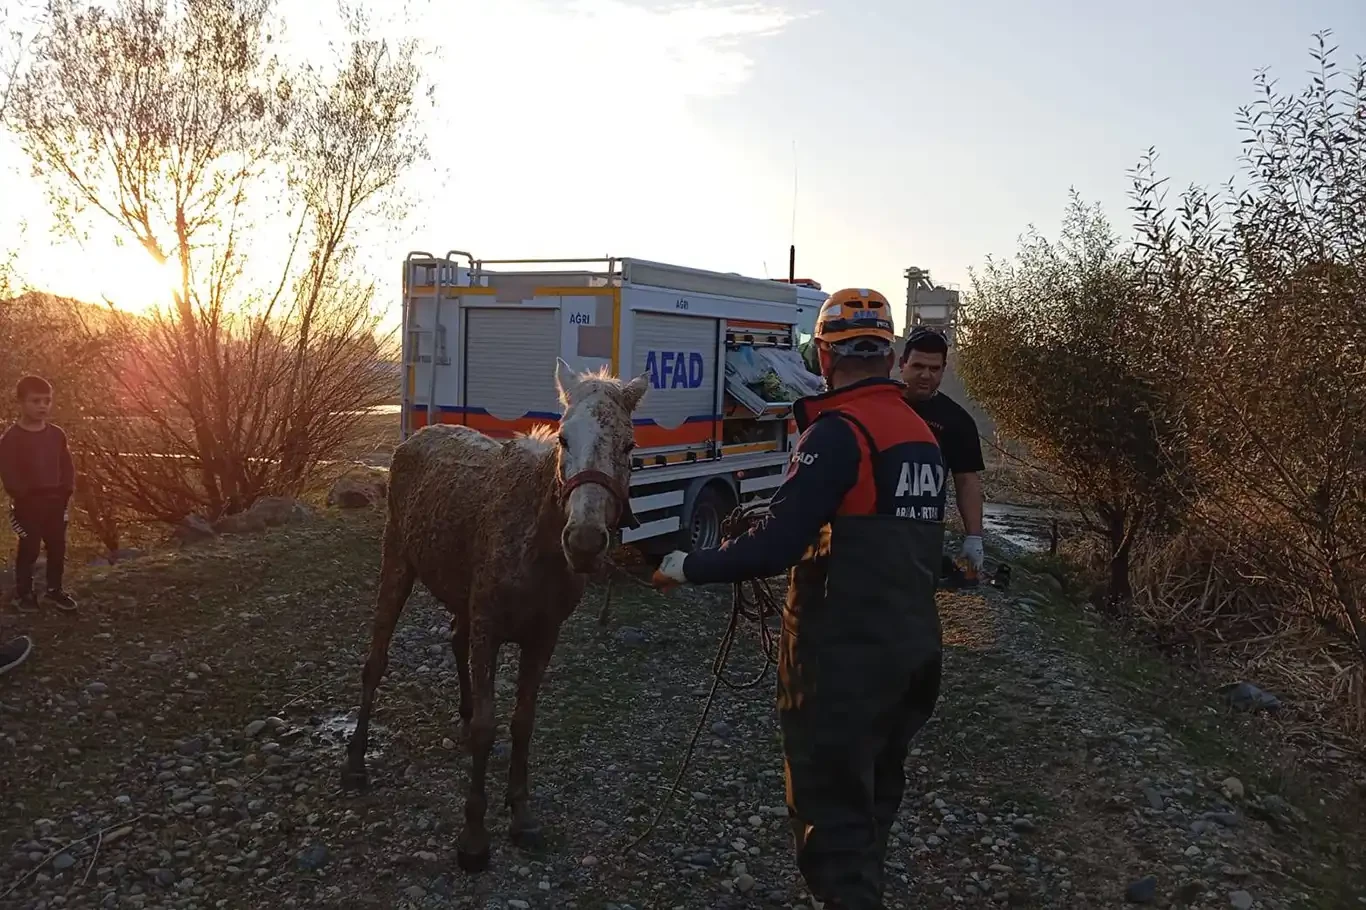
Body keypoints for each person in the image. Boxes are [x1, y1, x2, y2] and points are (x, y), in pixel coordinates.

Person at [652, 287, 947, 910]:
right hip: (912, 654)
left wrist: (688, 566)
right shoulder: (920, 433)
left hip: (842, 665)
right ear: (891, 353)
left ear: (822, 355)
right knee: (871, 804)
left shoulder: (838, 434)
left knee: (832, 824)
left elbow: (774, 547)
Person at [898, 328, 985, 574]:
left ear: (943, 370)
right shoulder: (878, 405)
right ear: (902, 364)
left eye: (934, 369)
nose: (925, 375)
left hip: (925, 532)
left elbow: (967, 480)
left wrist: (974, 538)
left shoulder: (957, 421)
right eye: (918, 366)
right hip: (873, 528)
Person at [1, 375, 78, 613]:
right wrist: (22, 494)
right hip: (28, 505)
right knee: (30, 547)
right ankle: (25, 593)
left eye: (47, 401)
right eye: (36, 401)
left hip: (56, 502)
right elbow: (8, 471)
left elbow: (66, 465)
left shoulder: (56, 434)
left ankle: (54, 590)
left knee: (57, 547)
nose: (42, 406)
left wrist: (66, 491)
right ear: (21, 402)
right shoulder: (11, 439)